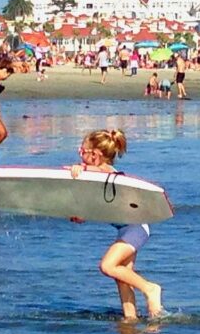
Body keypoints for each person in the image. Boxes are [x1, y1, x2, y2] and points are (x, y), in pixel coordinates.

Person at [70, 129, 163, 319]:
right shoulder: (98, 177)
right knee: (122, 277)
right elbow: (99, 205)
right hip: (127, 228)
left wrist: (80, 169)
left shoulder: (105, 172)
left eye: (82, 151)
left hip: (136, 227)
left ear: (95, 155)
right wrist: (81, 215)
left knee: (107, 266)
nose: (80, 155)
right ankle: (131, 319)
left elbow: (101, 170)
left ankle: (150, 289)